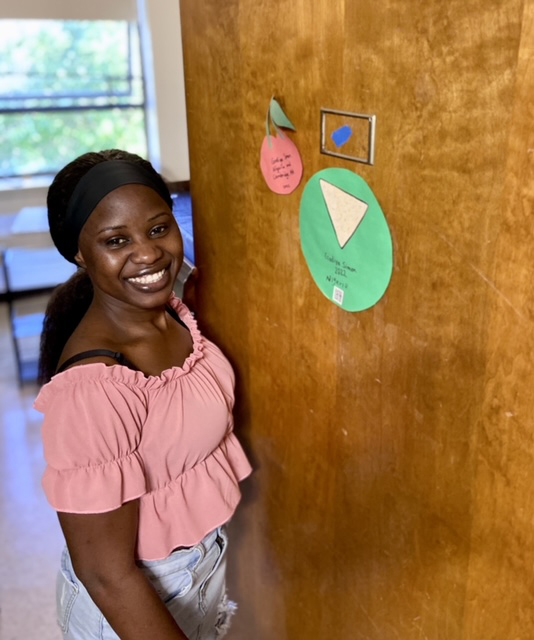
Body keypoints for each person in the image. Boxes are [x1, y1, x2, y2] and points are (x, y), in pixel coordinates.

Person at [34, 149, 252, 640]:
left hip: (198, 566)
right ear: (80, 255)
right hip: (133, 607)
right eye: (116, 240)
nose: (149, 253)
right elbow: (107, 575)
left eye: (158, 229)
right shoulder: (94, 391)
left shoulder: (173, 312)